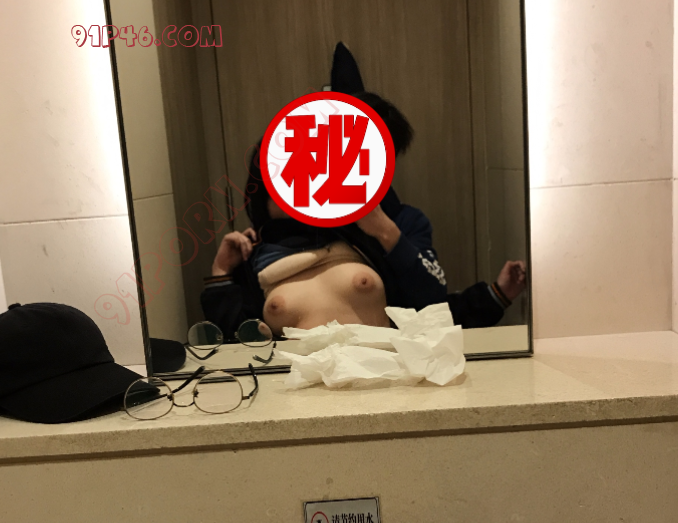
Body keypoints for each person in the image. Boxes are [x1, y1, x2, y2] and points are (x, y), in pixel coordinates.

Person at [201, 93, 526, 339]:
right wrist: (220, 272)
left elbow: (430, 309)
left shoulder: (385, 228)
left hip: (384, 378)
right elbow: (237, 339)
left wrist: (387, 233)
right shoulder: (257, 249)